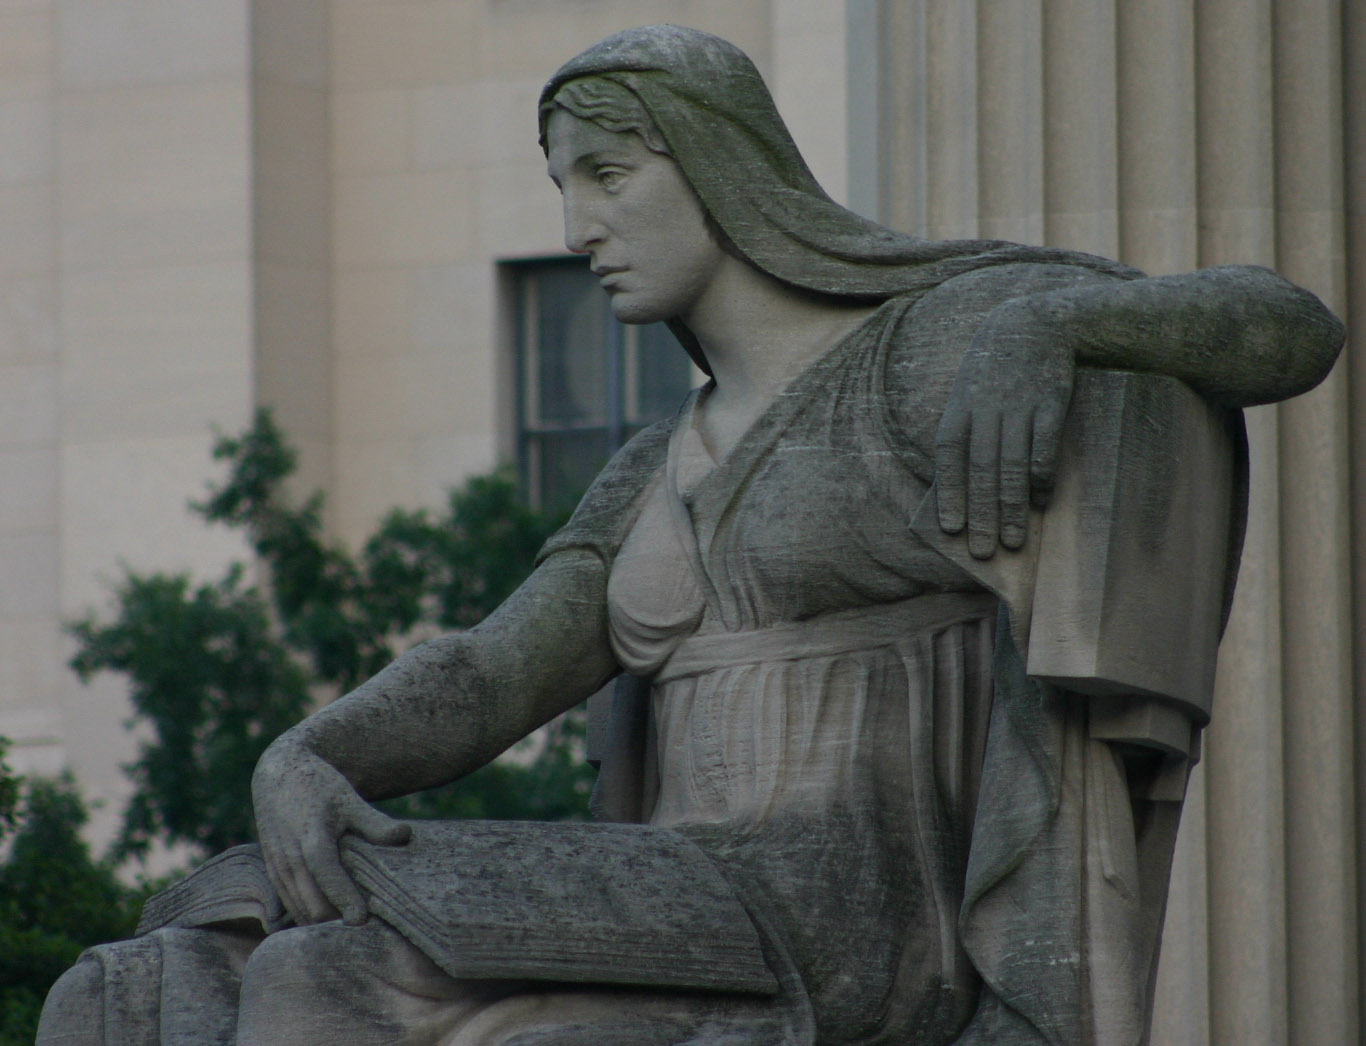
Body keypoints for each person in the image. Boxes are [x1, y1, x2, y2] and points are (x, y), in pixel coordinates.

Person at [39, 24, 1342, 1046]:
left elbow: (1283, 323)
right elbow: (494, 669)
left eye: (609, 175)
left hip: (843, 905)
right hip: (678, 883)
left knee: (330, 973)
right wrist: (310, 751)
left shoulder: (922, 349)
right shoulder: (647, 468)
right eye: (562, 186)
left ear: (721, 165)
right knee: (150, 981)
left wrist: (1061, 323)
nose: (576, 228)